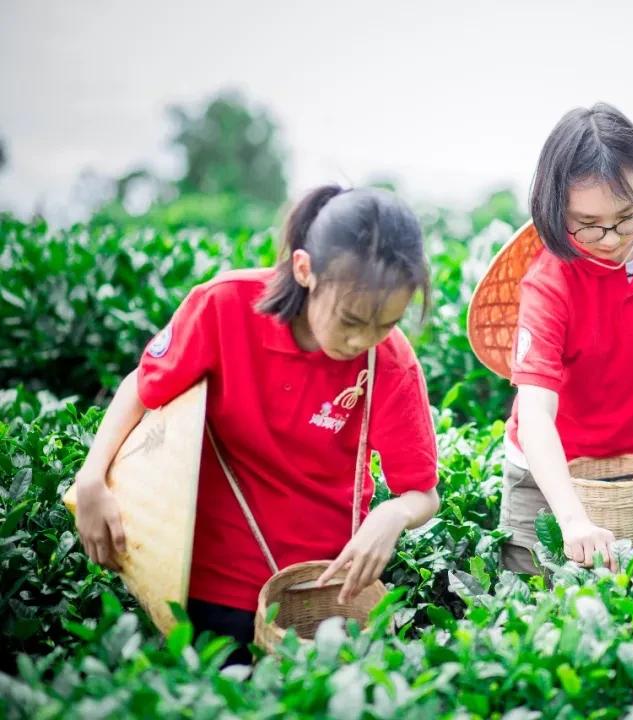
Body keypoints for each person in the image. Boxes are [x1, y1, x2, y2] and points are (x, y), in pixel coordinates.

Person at [74, 186, 441, 662]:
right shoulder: (225, 306)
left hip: (320, 591)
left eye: (385, 324)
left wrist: (392, 515)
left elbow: (422, 492)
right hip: (208, 583)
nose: (362, 340)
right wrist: (91, 475)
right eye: (351, 320)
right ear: (306, 270)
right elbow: (144, 387)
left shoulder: (389, 360)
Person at [470, 103, 633, 574]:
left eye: (627, 216)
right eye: (587, 223)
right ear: (554, 210)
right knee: (533, 620)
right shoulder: (549, 283)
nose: (610, 238)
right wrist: (571, 520)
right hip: (547, 481)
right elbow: (535, 413)